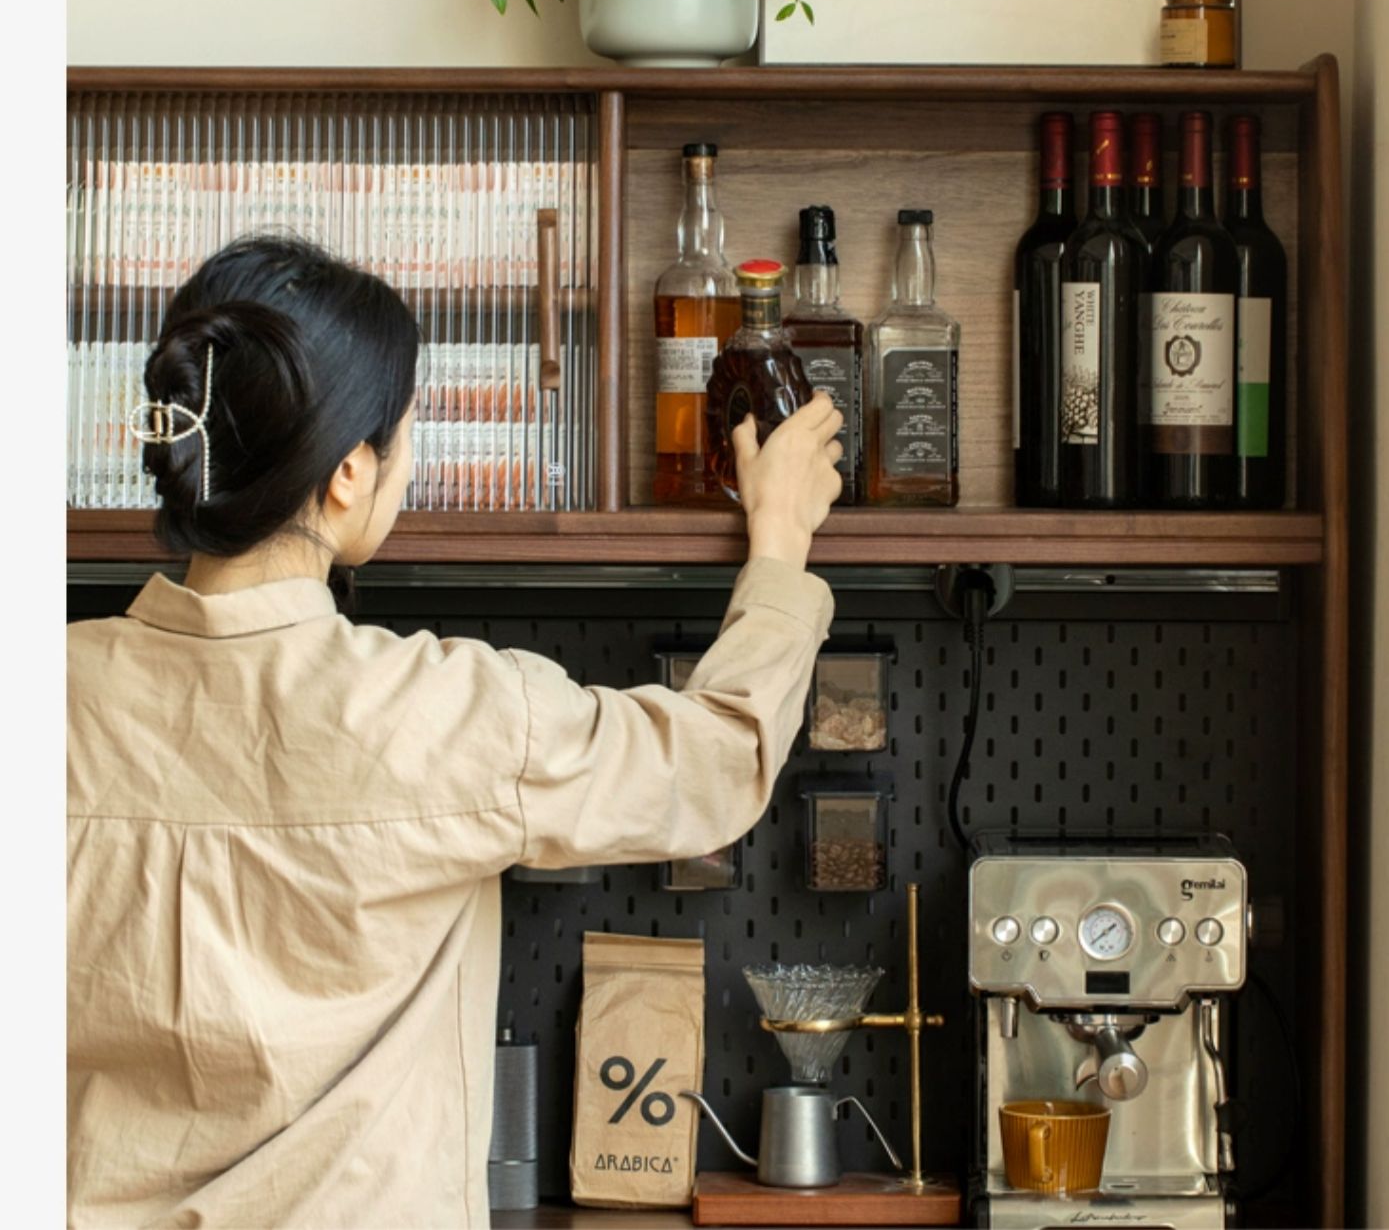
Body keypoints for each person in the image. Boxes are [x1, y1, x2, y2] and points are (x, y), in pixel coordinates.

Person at [67, 236, 844, 1227]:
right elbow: (718, 761)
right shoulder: (448, 709)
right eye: (407, 426)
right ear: (350, 470)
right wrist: (779, 544)